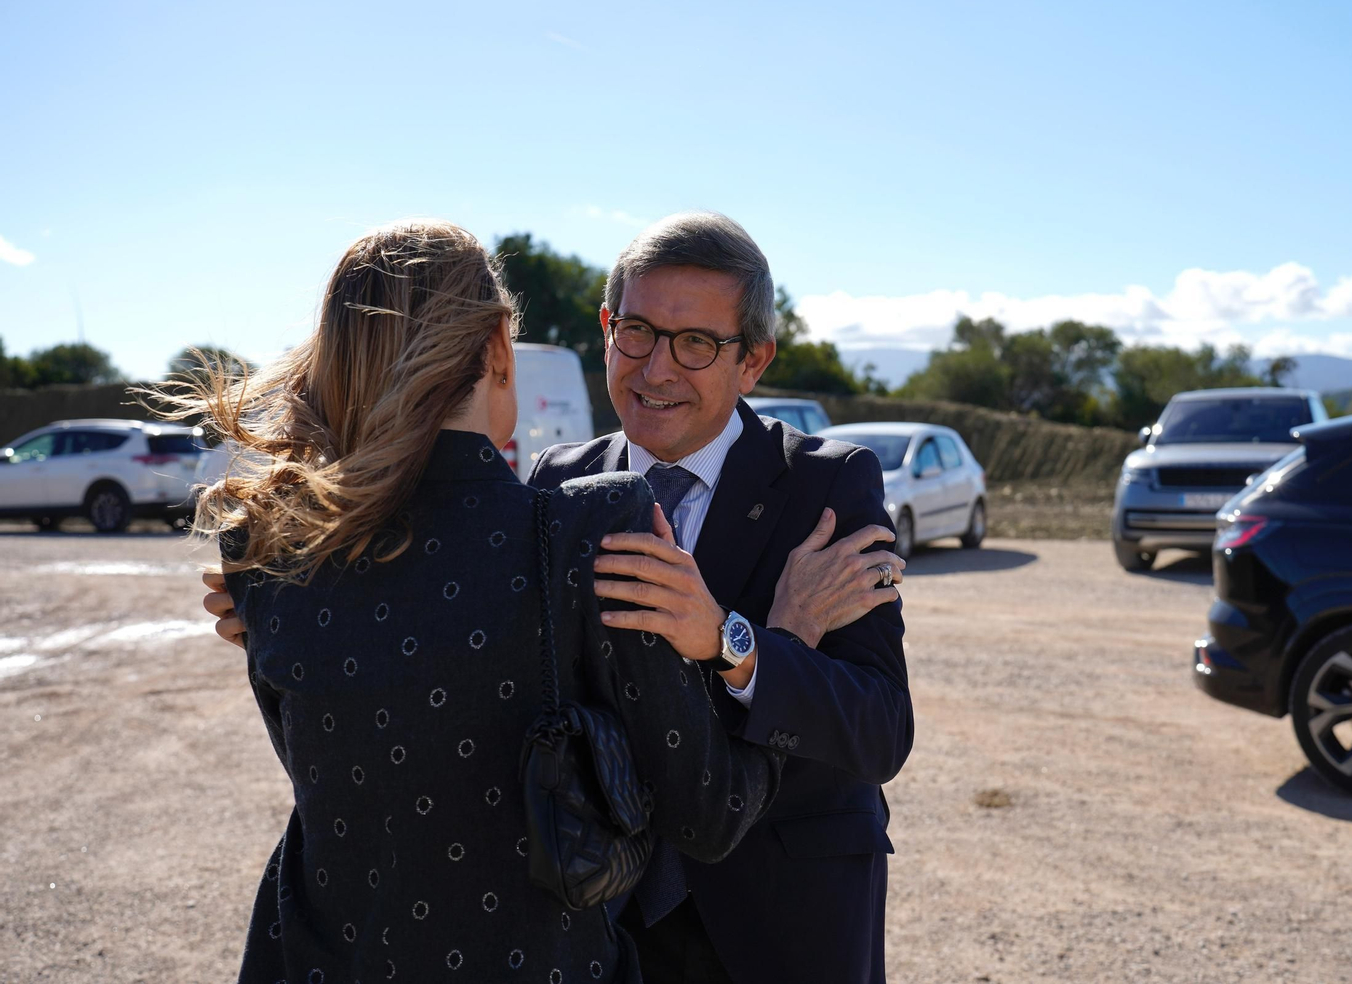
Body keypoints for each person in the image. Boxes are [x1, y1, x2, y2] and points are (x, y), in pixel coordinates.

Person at [178, 220, 788, 984]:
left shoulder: (263, 547)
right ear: (499, 346)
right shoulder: (589, 533)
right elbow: (708, 811)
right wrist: (786, 633)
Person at [525, 212, 915, 984]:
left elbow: (880, 730)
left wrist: (732, 640)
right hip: (603, 916)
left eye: (696, 343)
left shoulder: (826, 488)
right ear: (606, 329)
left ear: (753, 361)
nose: (656, 369)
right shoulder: (556, 487)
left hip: (781, 921)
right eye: (636, 331)